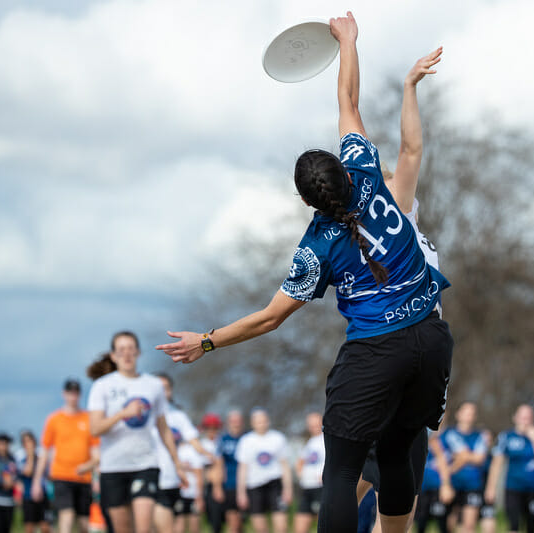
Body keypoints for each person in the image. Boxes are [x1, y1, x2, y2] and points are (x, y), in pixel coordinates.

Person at [156, 11, 453, 533]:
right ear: (344, 167)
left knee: (339, 471)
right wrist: (349, 40)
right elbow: (348, 102)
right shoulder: (364, 169)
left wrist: (206, 342)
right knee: (398, 452)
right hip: (432, 338)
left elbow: (270, 319)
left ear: (304, 199)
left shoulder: (316, 246)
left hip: (378, 349)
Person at [354, 43, 445, 533]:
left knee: (395, 485)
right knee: (374, 478)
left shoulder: (391, 222)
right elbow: (411, 149)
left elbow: (353, 116)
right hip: (396, 357)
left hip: (407, 357)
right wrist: (409, 87)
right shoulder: (391, 211)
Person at [87, 331, 186, 533]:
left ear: (138, 353)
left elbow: (163, 429)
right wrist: (122, 414)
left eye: (131, 349)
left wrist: (177, 464)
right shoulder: (102, 386)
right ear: (113, 356)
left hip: (145, 464)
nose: (127, 354)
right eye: (121, 350)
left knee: (143, 527)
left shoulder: (153, 385)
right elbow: (95, 429)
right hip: (113, 467)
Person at [33, 378, 99, 533]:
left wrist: (96, 476)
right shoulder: (54, 419)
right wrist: (37, 480)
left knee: (84, 522)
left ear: (79, 395)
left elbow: (96, 453)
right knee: (66, 515)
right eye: (70, 393)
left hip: (84, 477)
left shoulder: (88, 419)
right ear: (64, 394)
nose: (73, 397)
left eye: (76, 393)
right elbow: (44, 452)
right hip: (61, 475)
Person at [153, 373, 212, 533]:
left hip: (174, 480)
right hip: (152, 479)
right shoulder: (144, 417)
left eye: (165, 388)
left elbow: (194, 441)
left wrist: (212, 456)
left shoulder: (178, 417)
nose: (161, 393)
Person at [485, 404, 534, 533]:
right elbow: (496, 464)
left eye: (528, 418)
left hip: (533, 490)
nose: (525, 421)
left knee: (531, 527)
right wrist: (491, 488)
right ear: (515, 418)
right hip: (513, 488)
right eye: (522, 417)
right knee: (513, 525)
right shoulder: (506, 437)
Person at [234, 409, 291, 533]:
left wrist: (288, 489)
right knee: (260, 529)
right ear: (252, 423)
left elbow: (285, 466)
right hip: (254, 486)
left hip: (275, 484)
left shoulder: (278, 438)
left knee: (282, 527)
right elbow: (242, 469)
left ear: (268, 421)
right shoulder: (246, 441)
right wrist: (241, 493)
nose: (261, 424)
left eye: (264, 421)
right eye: (258, 422)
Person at [440, 402, 489, 533]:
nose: (469, 416)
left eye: (472, 413)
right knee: (449, 524)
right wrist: (468, 457)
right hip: (452, 483)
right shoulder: (449, 434)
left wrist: (461, 456)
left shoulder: (479, 436)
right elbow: (442, 458)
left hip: (472, 484)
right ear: (458, 414)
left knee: (469, 525)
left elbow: (479, 459)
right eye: (466, 412)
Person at [414, 431, 455, 533]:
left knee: (442, 524)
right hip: (418, 487)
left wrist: (445, 485)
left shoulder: (432, 435)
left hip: (436, 487)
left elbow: (441, 458)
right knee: (419, 523)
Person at [294, 412, 324, 533]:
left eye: (316, 423)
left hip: (321, 487)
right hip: (307, 487)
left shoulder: (327, 439)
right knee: (300, 525)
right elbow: (300, 461)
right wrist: (301, 474)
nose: (313, 426)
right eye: (310, 424)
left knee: (323, 525)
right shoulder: (310, 442)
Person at [216, 409, 245, 533]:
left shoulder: (247, 438)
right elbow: (218, 463)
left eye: (238, 421)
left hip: (247, 485)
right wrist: (218, 486)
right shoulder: (223, 439)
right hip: (229, 485)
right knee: (233, 523)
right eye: (233, 421)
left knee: (241, 523)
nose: (235, 423)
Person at [196, 413, 225, 533]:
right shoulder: (201, 444)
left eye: (214, 427)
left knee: (221, 521)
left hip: (220, 485)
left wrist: (217, 487)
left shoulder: (221, 442)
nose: (212, 430)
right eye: (209, 427)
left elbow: (219, 465)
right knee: (211, 520)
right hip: (206, 485)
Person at [17, 430, 51, 533]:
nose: (29, 444)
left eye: (30, 441)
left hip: (43, 496)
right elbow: (28, 471)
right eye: (26, 442)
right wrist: (30, 455)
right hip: (28, 496)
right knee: (29, 527)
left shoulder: (41, 457)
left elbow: (49, 474)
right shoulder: (20, 459)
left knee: (45, 526)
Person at [174, 435, 204, 533]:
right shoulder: (175, 449)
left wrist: (199, 496)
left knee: (194, 526)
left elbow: (199, 475)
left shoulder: (194, 451)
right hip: (178, 493)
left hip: (192, 493)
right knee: (179, 525)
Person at [0, 432, 18, 533]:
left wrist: (12, 482)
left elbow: (16, 475)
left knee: (6, 529)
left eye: (6, 444)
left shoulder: (12, 459)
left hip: (9, 501)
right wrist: (2, 482)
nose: (3, 446)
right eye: (1, 444)